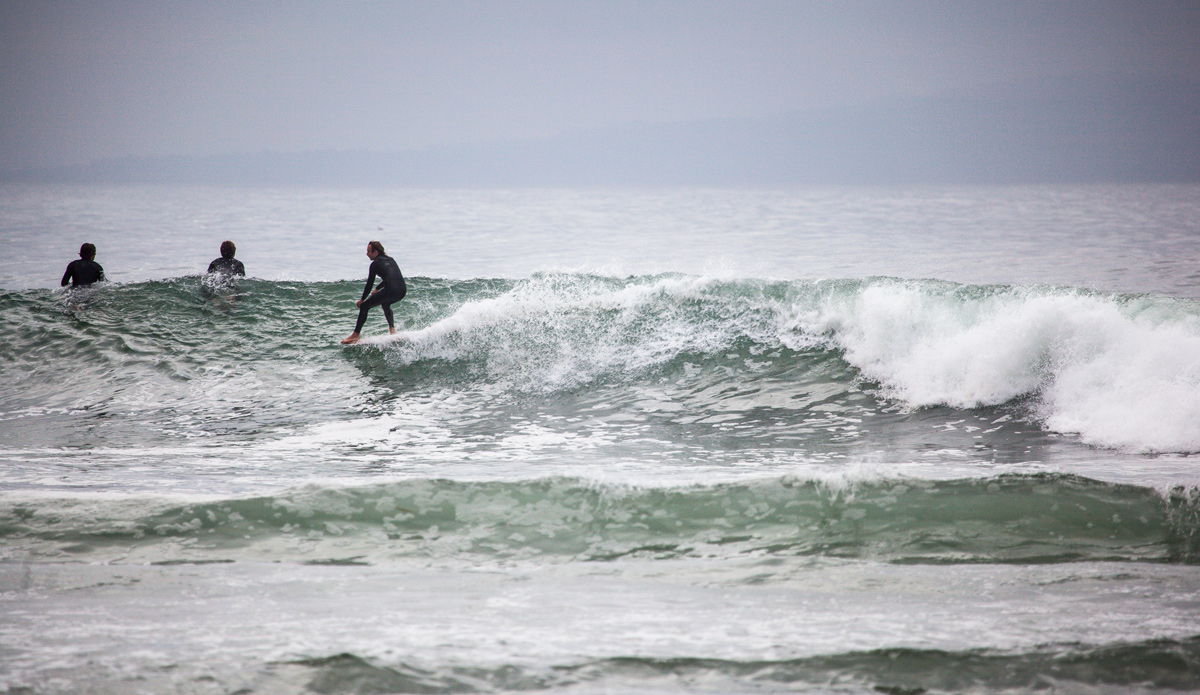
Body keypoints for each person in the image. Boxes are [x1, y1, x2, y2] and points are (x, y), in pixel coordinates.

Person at [341, 240, 406, 344]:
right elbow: (392, 277)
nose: (367, 254)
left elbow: (369, 284)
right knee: (385, 303)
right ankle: (392, 330)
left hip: (391, 289)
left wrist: (362, 300)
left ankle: (355, 335)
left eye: (368, 251)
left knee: (364, 306)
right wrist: (377, 289)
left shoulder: (375, 264)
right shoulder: (391, 260)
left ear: (375, 252)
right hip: (402, 290)